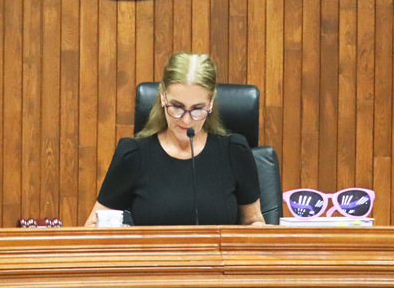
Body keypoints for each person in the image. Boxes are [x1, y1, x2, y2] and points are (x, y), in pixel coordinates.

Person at [85, 53, 265, 226]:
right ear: (163, 97)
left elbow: (254, 223)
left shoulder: (234, 152)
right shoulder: (133, 155)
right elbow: (93, 227)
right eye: (177, 107)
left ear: (211, 102)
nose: (186, 120)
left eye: (197, 109)